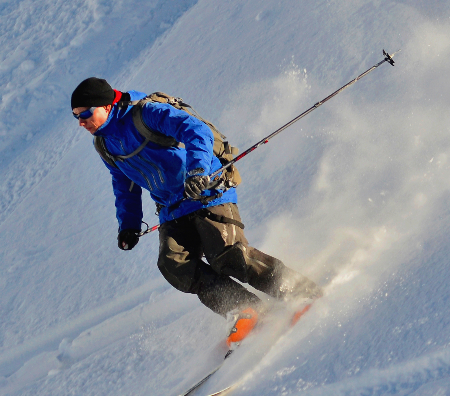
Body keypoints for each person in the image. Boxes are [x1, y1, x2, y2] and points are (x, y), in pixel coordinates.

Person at [72, 77, 321, 333]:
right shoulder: (103, 144)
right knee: (176, 265)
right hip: (172, 207)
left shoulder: (145, 113)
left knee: (228, 255)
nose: (81, 122)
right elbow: (124, 182)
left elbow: (195, 129)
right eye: (76, 117)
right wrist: (128, 224)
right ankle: (246, 310)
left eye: (85, 114)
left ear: (106, 106)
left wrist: (198, 171)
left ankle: (300, 292)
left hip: (207, 190)